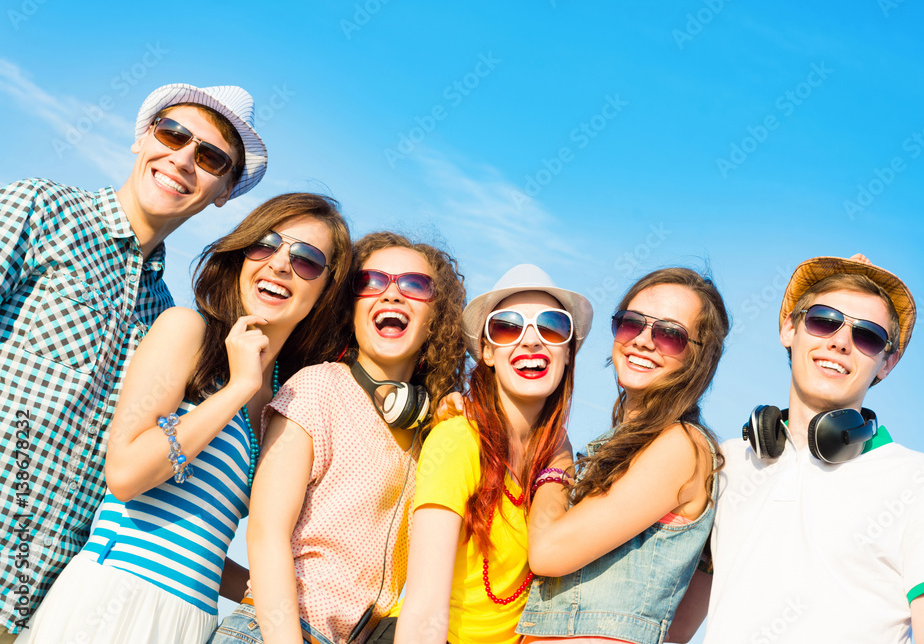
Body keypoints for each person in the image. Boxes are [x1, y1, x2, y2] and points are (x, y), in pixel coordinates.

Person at [13, 192, 351, 643]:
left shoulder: (288, 401)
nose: (280, 263)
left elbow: (202, 539)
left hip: (192, 621)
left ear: (327, 290)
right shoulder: (186, 332)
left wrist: (270, 589)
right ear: (243, 253)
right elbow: (125, 474)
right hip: (113, 599)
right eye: (266, 243)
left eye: (307, 258)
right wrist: (236, 389)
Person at [0, 82, 267, 640]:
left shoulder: (166, 316)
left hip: (43, 605)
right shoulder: (39, 209)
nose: (183, 159)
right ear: (141, 138)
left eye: (210, 156)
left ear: (223, 191)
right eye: (173, 133)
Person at [674, 254, 924, 643]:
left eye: (867, 335)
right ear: (789, 328)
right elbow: (672, 631)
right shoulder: (725, 463)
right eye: (823, 320)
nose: (840, 341)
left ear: (887, 363)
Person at [211, 232, 467, 644]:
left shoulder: (433, 431)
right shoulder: (315, 388)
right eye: (372, 282)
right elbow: (266, 533)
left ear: (439, 317)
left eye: (415, 285)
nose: (392, 295)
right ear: (351, 306)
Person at [376, 263, 593, 644]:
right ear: (487, 351)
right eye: (508, 326)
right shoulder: (458, 438)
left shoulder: (556, 463)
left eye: (551, 326)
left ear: (568, 352)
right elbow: (425, 606)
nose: (531, 340)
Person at [511, 268, 729, 644]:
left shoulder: (680, 446)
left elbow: (549, 552)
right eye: (632, 324)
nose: (644, 341)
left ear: (699, 358)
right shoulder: (621, 448)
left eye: (669, 334)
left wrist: (557, 466)